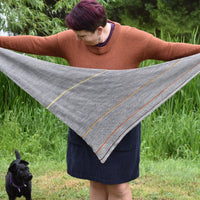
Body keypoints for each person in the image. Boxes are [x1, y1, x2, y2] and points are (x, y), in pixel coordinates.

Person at [1, 0, 200, 199]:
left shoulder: (133, 38)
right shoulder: (72, 38)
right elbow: (36, 44)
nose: (77, 40)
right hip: (84, 124)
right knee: (95, 182)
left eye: (82, 36)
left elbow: (169, 50)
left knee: (119, 188)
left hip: (122, 125)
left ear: (98, 29)